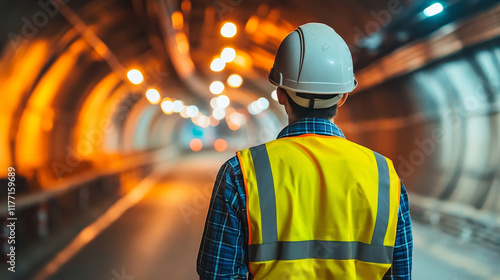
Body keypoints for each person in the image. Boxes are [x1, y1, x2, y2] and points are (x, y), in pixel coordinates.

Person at [197, 22, 412, 279]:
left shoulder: (240, 173)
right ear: (343, 96)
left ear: (280, 94)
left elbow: (217, 274)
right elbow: (399, 274)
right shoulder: (384, 177)